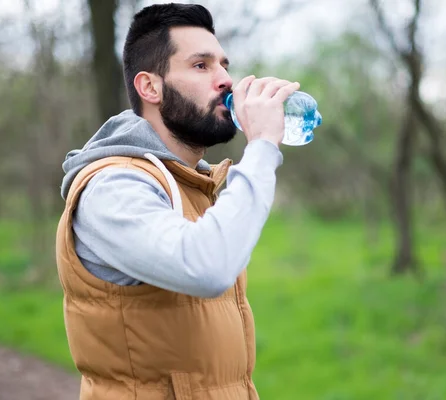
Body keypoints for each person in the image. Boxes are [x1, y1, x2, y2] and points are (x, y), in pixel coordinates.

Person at [55, 3, 299, 399]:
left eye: (223, 64)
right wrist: (262, 148)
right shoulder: (111, 187)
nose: (225, 80)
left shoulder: (193, 184)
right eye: (201, 66)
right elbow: (207, 266)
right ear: (150, 87)